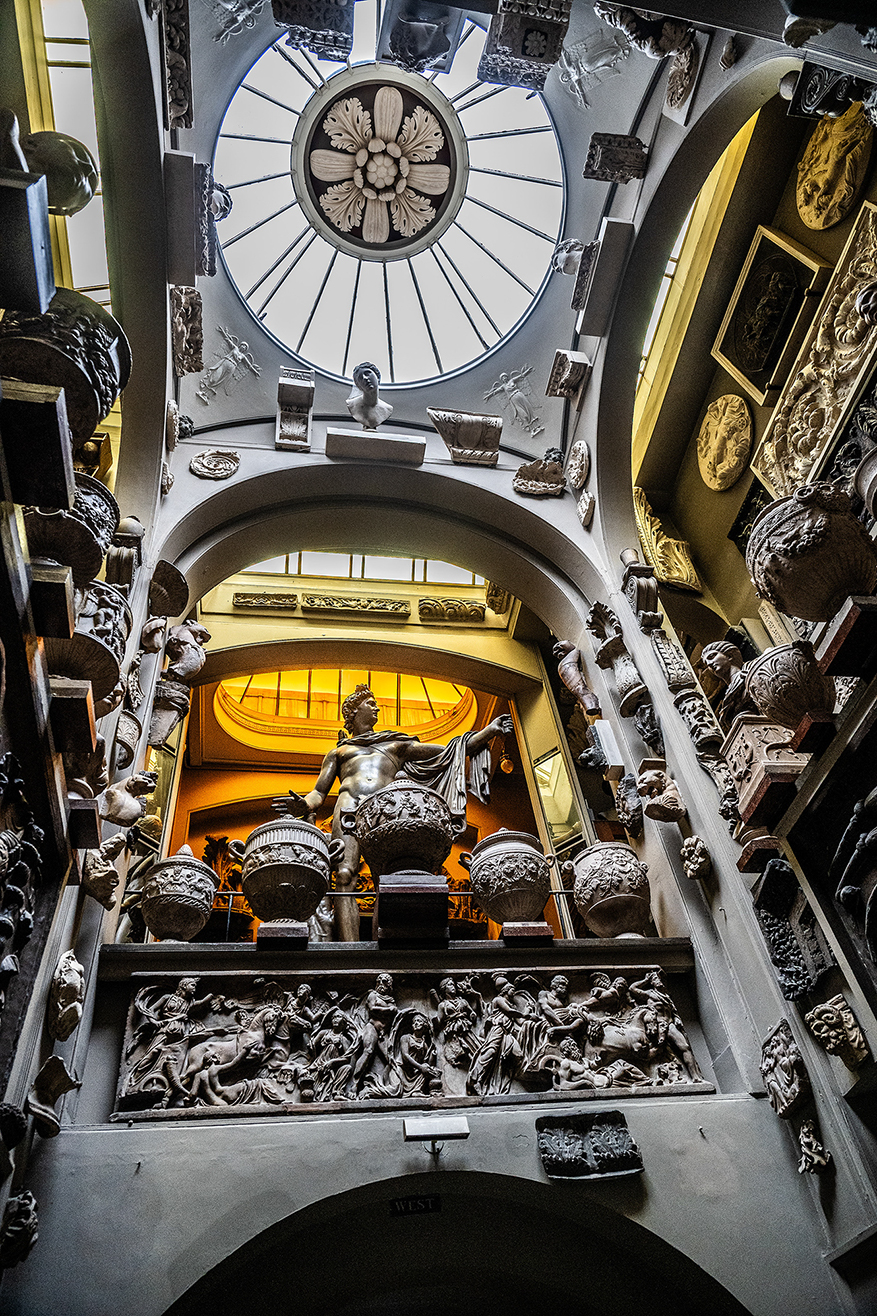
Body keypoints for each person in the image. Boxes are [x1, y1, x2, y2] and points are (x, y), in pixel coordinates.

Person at [273, 683, 513, 940]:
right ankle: (350, 950)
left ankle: (379, 949)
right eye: (370, 703)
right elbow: (319, 792)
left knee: (385, 883)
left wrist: (489, 731)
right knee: (343, 876)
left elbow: (449, 752)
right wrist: (305, 805)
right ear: (353, 711)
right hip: (348, 808)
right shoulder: (339, 752)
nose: (377, 707)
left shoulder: (394, 745)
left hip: (383, 812)